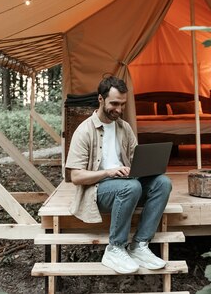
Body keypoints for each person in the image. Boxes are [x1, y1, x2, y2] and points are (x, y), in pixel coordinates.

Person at [65, 76, 172, 274]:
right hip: (98, 191)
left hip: (128, 185)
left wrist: (144, 168)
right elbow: (76, 177)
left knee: (163, 183)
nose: (119, 110)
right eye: (114, 103)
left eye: (122, 104)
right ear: (100, 99)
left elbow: (136, 160)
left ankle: (139, 245)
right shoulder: (84, 131)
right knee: (130, 186)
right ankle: (115, 248)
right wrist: (108, 172)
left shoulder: (124, 127)